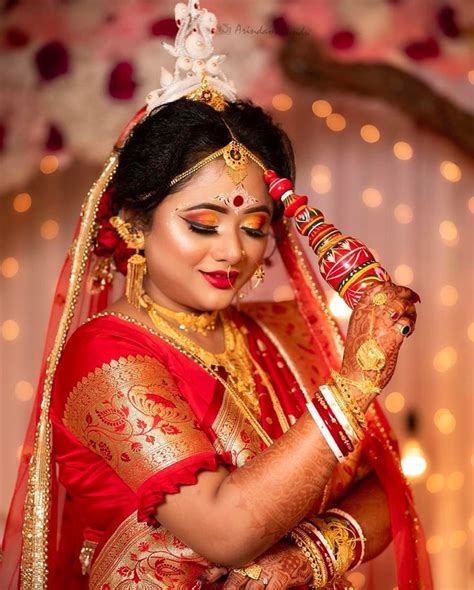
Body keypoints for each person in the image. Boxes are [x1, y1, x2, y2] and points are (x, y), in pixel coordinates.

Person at [1, 2, 432, 589]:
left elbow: (386, 484)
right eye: (203, 224)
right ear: (133, 224)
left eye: (255, 226)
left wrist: (308, 555)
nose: (233, 251)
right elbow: (227, 531)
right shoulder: (104, 356)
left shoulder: (289, 330)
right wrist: (355, 383)